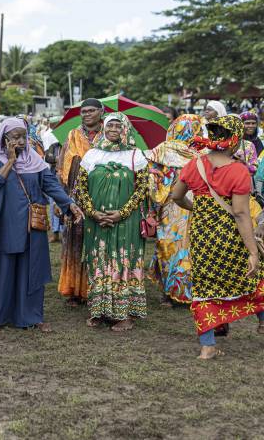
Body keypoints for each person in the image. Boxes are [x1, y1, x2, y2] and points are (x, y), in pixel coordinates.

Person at [0, 118, 83, 332]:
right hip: (4, 224)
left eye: (22, 136)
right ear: (4, 138)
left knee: (31, 269)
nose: (19, 141)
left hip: (32, 225)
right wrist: (9, 162)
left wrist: (69, 205)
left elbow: (51, 185)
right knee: (4, 270)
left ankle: (32, 316)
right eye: (14, 137)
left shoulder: (35, 159)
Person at [171, 115, 264, 359]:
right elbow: (242, 214)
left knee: (204, 286)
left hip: (202, 238)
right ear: (235, 141)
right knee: (256, 276)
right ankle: (262, 321)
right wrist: (253, 251)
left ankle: (207, 346)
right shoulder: (238, 171)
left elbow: (176, 196)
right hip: (230, 238)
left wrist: (197, 208)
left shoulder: (194, 165)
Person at [74, 113, 149, 331]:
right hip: (96, 222)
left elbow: (142, 188)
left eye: (118, 125)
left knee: (123, 262)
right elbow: (81, 187)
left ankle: (124, 316)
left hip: (126, 222)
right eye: (110, 125)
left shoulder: (136, 155)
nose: (114, 129)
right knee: (99, 262)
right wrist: (93, 212)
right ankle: (99, 311)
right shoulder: (92, 154)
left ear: (125, 128)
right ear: (103, 129)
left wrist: (122, 213)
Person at [144, 114, 202, 306]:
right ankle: (184, 291)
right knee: (188, 247)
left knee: (169, 245)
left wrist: (154, 205)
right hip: (192, 205)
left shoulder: (162, 150)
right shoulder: (200, 153)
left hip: (170, 205)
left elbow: (152, 180)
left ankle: (170, 292)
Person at [57, 97, 104, 306]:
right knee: (75, 242)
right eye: (84, 111)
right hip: (76, 198)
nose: (87, 114)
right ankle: (75, 290)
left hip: (103, 198)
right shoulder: (73, 135)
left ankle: (99, 288)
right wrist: (62, 200)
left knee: (99, 243)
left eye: (92, 110)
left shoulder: (110, 134)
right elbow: (61, 168)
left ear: (101, 112)